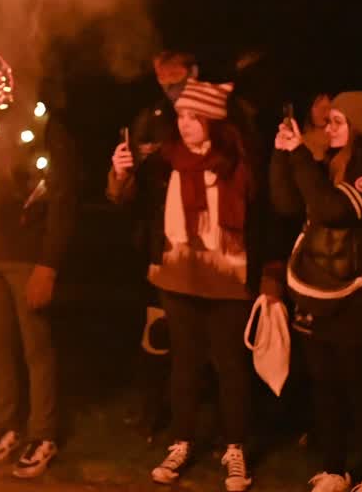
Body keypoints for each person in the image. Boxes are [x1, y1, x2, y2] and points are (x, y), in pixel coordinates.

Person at [143, 80, 279, 492]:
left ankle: (234, 448)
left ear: (214, 122)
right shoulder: (168, 160)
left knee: (229, 366)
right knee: (184, 363)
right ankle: (181, 441)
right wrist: (119, 174)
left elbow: (265, 220)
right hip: (178, 274)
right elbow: (136, 205)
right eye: (181, 117)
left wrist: (270, 277)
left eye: (194, 118)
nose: (184, 125)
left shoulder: (240, 164)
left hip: (228, 278)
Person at [270, 91, 362, 492]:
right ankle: (334, 468)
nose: (329, 128)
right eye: (330, 121)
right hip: (319, 291)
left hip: (359, 297)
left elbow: (333, 211)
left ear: (361, 128)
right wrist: (282, 154)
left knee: (361, 387)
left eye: (339, 122)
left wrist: (301, 157)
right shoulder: (328, 166)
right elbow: (288, 204)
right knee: (325, 384)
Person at [0, 63, 77, 480]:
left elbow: (63, 205)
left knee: (36, 350)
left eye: (1, 81)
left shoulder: (53, 133)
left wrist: (48, 266)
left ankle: (44, 433)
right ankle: (7, 427)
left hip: (29, 262)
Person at [105, 49, 197, 437]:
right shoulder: (151, 118)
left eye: (177, 80)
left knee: (201, 341)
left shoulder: (218, 114)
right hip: (157, 245)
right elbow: (122, 193)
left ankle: (198, 421)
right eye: (163, 81)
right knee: (156, 334)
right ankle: (151, 412)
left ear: (193, 72)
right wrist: (119, 174)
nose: (171, 89)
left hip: (204, 248)